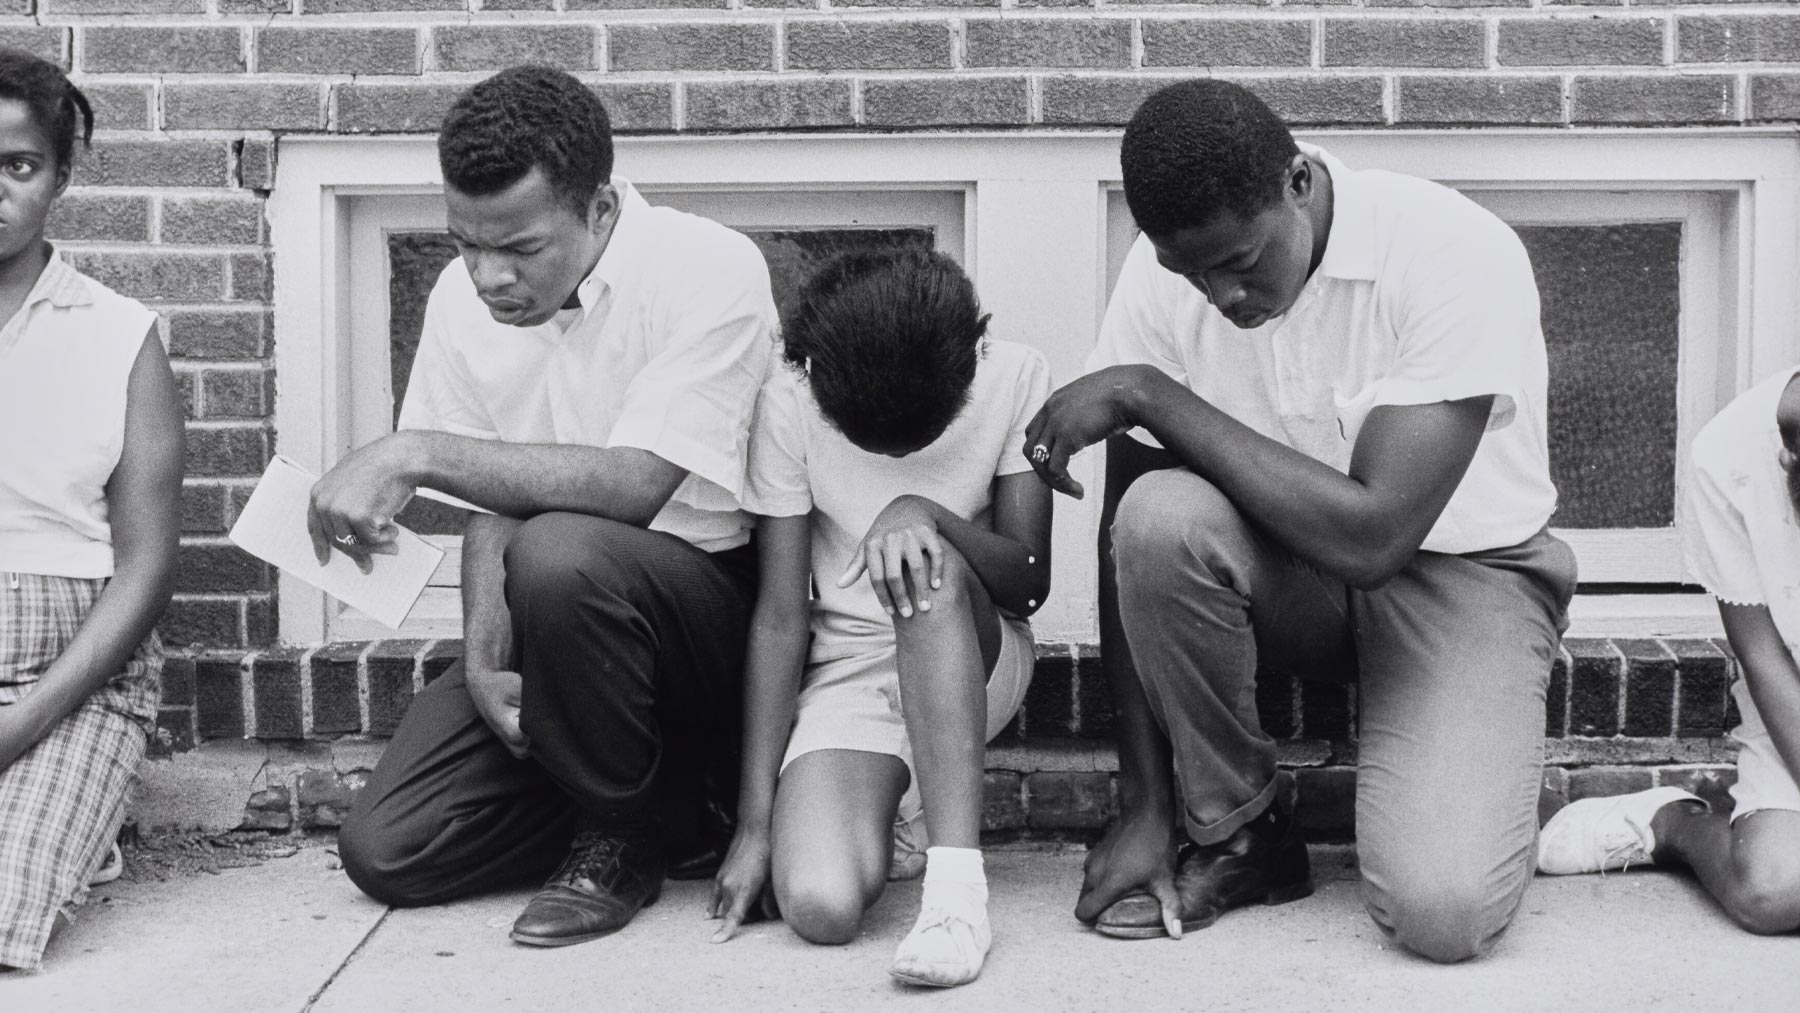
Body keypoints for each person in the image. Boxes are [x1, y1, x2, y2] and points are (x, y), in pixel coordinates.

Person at [1023, 79, 1576, 962]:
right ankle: (1245, 834)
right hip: (1290, 576)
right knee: (1159, 514)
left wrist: (1150, 393)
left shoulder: (1451, 250)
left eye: (1242, 262)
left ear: (1298, 183)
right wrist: (1145, 804)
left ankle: (1498, 775)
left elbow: (1375, 537)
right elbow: (1128, 537)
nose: (1222, 295)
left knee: (1441, 914)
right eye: (1189, 271)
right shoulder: (1165, 276)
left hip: (1467, 574)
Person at [326, 66, 778, 947]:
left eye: (521, 249)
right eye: (465, 244)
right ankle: (672, 799)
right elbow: (488, 499)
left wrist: (410, 451)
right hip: (554, 624)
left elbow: (637, 484)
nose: (489, 277)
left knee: (563, 549)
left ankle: (627, 832)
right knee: (388, 849)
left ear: (600, 209)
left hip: (697, 621)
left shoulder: (709, 268)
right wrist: (488, 660)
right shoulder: (461, 300)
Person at [707, 249, 1053, 987]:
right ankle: (907, 806)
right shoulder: (791, 400)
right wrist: (756, 823)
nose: (897, 454)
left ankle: (956, 897)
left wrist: (924, 511)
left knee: (921, 565)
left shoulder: (1013, 374)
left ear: (965, 371)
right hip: (852, 675)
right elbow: (779, 616)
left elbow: (1027, 584)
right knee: (820, 905)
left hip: (971, 644)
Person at [0, 49, 184, 971]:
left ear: (60, 177)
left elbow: (146, 569)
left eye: (18, 166)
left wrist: (19, 724)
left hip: (72, 683)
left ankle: (59, 811)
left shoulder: (120, 334)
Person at [1538, 368, 1800, 934]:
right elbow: (1763, 658)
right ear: (1789, 459)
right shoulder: (1730, 456)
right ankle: (1675, 822)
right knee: (1773, 894)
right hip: (1794, 697)